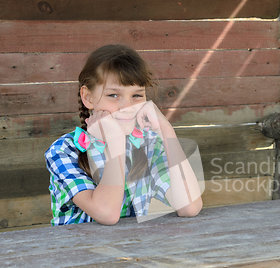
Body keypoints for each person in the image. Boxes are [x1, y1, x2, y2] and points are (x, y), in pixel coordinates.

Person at [45, 44, 203, 226]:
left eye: (136, 95)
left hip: (132, 249)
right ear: (88, 98)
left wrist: (166, 130)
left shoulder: (149, 144)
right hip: (77, 252)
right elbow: (107, 214)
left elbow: (189, 206)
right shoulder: (64, 151)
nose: (127, 107)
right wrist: (116, 142)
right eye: (113, 95)